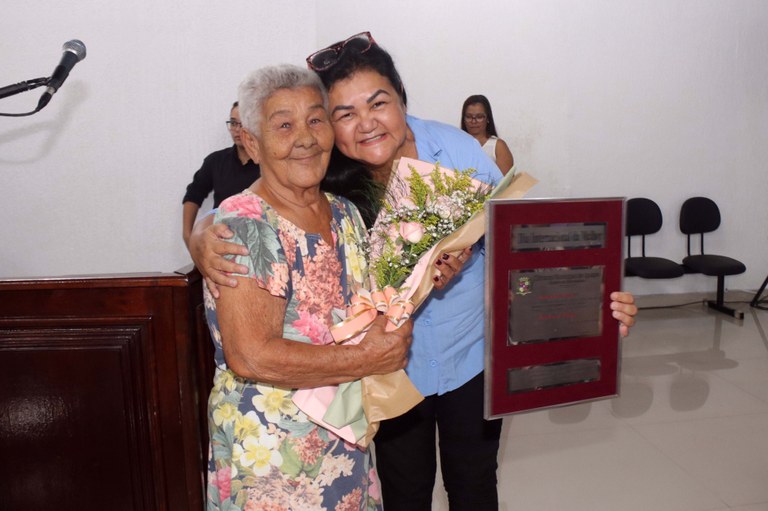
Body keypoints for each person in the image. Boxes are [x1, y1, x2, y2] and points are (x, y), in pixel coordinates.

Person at [190, 32, 637, 511]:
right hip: (390, 375)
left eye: (378, 103)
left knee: (474, 484)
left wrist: (588, 305)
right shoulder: (328, 173)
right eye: (344, 114)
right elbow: (254, 210)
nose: (366, 124)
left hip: (466, 354)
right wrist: (202, 236)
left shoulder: (455, 152)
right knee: (405, 491)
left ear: (401, 97)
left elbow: (519, 246)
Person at [202, 64, 414, 511]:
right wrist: (367, 358)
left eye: (316, 119)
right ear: (252, 143)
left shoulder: (344, 213)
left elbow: (368, 305)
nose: (305, 138)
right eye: (284, 125)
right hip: (272, 456)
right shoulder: (245, 224)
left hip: (344, 440)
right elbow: (251, 355)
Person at [181, 102, 261, 248]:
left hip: (259, 243)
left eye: (242, 124)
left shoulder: (268, 164)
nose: (237, 129)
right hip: (220, 243)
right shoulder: (216, 161)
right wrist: (187, 236)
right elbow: (193, 194)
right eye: (233, 123)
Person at [461, 94, 514, 175]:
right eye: (469, 117)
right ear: (463, 119)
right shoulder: (456, 144)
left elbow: (505, 180)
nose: (474, 121)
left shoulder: (498, 146)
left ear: (488, 118)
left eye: (479, 117)